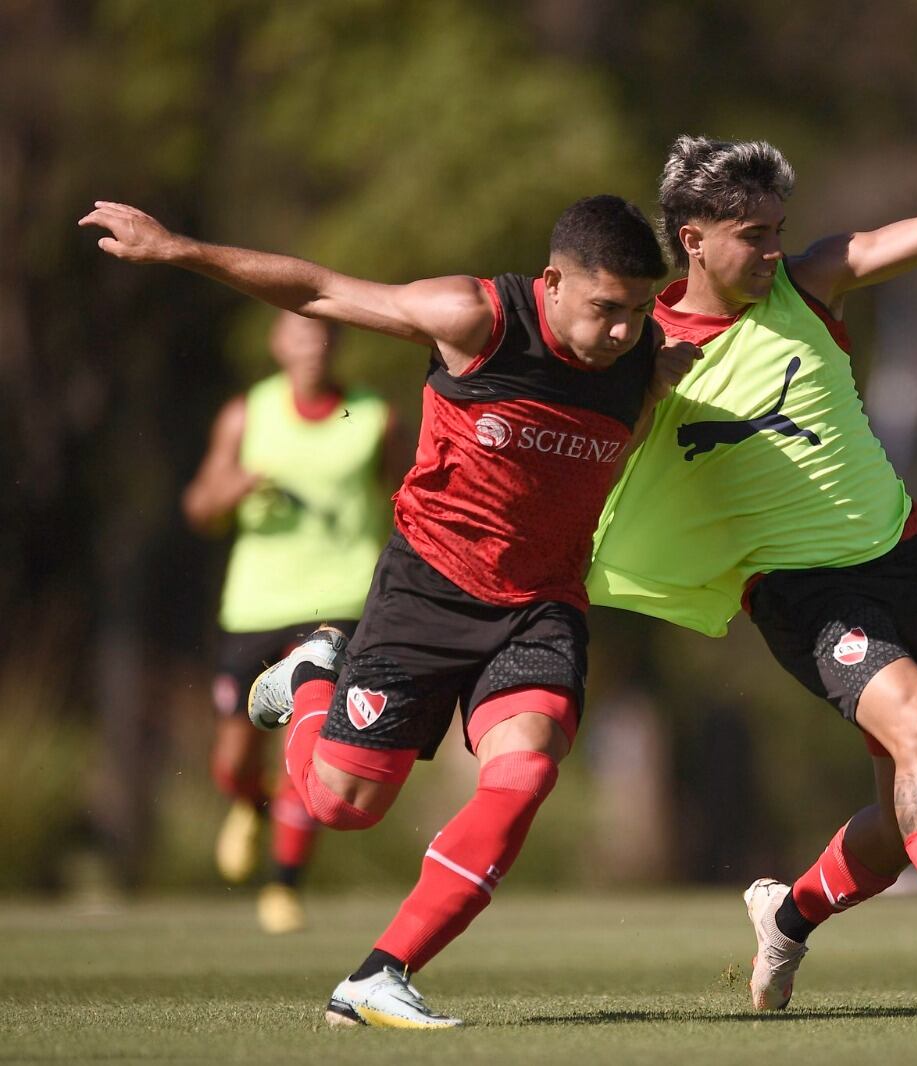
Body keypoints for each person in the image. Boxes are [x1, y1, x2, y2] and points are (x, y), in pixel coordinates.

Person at [81, 194, 698, 1027]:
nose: (624, 330)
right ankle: (308, 678)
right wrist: (178, 248)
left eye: (635, 311)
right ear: (553, 282)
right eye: (605, 309)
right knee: (343, 806)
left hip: (540, 605)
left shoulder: (644, 358)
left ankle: (380, 973)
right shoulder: (474, 316)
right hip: (427, 591)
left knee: (529, 768)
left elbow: (743, 290)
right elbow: (319, 291)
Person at [587, 131, 917, 1019]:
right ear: (692, 239)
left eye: (778, 230)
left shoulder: (811, 284)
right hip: (802, 594)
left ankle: (787, 916)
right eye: (752, 236)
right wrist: (646, 388)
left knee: (901, 824)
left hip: (905, 566)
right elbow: (565, 425)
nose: (773, 251)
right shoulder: (645, 350)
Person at [182, 310, 401, 934]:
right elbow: (199, 507)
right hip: (256, 603)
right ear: (278, 344)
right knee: (234, 755)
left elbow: (404, 500)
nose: (312, 345)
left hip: (337, 606)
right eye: (299, 333)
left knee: (307, 746)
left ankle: (284, 886)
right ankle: (247, 804)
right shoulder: (246, 416)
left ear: (339, 343)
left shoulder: (373, 417)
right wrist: (230, 491)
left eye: (323, 333)